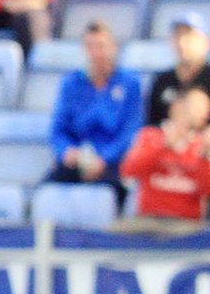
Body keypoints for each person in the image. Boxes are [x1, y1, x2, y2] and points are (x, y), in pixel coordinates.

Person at [48, 20, 144, 207]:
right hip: (78, 161)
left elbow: (131, 132)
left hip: (114, 164)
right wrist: (67, 151)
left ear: (113, 48)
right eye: (90, 46)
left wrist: (104, 159)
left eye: (101, 46)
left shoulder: (129, 83)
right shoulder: (71, 83)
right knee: (47, 193)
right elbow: (58, 129)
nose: (96, 53)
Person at [119, 86, 210, 225]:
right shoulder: (150, 136)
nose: (205, 114)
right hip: (148, 221)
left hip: (187, 225)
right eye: (198, 107)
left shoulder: (205, 146)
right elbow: (129, 171)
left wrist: (205, 155)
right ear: (177, 107)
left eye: (207, 109)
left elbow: (209, 190)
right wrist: (163, 145)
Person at [147, 12, 210, 152]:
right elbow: (151, 125)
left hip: (206, 157)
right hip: (166, 155)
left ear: (206, 43)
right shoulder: (162, 81)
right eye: (178, 35)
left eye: (189, 36)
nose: (182, 42)